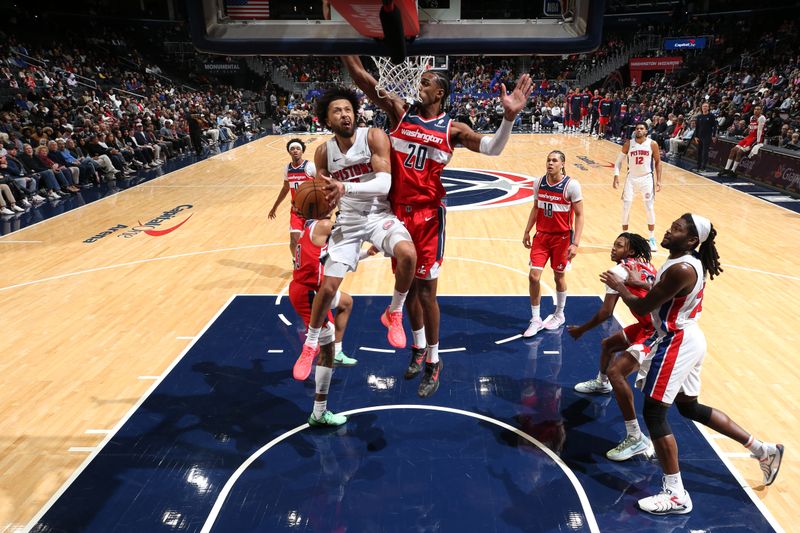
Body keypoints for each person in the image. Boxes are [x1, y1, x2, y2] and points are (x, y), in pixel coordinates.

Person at [342, 56, 532, 397]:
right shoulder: (399, 111)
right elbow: (362, 78)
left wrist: (508, 117)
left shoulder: (452, 129)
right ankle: (417, 347)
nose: (419, 84)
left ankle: (433, 359)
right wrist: (344, 41)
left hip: (428, 216)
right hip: (397, 213)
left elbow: (491, 148)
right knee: (408, 287)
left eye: (426, 81)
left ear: (440, 92)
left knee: (427, 291)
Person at [601, 214, 784, 515]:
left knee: (655, 412)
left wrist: (622, 285)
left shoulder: (683, 267)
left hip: (676, 340)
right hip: (688, 336)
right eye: (672, 226)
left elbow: (642, 306)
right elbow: (663, 293)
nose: (669, 231)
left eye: (676, 230)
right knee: (688, 407)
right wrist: (642, 281)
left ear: (691, 240)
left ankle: (675, 494)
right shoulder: (684, 260)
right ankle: (763, 450)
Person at [293, 87, 418, 426]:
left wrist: (344, 188)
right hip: (346, 222)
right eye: (337, 111)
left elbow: (383, 184)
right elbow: (325, 197)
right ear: (326, 118)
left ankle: (393, 312)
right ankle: (311, 342)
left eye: (348, 109)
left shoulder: (374, 136)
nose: (345, 115)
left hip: (379, 215)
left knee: (408, 254)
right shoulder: (323, 154)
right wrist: (320, 201)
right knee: (330, 286)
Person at [570, 233, 657, 461]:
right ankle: (601, 384)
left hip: (655, 331)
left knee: (616, 372)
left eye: (619, 246)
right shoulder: (646, 265)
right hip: (646, 323)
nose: (613, 248)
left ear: (630, 251)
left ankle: (635, 436)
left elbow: (605, 313)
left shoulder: (618, 273)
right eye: (614, 244)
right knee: (608, 344)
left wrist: (581, 329)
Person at [289, 216, 359, 387]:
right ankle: (310, 356)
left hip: (315, 290)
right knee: (325, 341)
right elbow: (352, 233)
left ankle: (337, 352)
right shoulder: (324, 226)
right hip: (307, 294)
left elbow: (337, 255)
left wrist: (365, 253)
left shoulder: (312, 229)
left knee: (346, 302)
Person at [522, 150, 584, 337]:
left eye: (554, 160)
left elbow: (580, 215)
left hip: (562, 238)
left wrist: (576, 243)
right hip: (541, 237)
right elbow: (535, 208)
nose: (550, 163)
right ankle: (535, 319)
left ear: (562, 164)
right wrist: (527, 230)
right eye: (548, 160)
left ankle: (559, 314)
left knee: (559, 277)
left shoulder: (571, 186)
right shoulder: (538, 182)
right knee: (534, 276)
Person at [613, 122, 662, 252]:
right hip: (631, 178)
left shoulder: (652, 144)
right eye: (637, 129)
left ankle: (651, 238)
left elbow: (657, 162)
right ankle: (625, 237)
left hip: (646, 178)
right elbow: (618, 162)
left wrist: (659, 181)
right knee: (626, 207)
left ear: (646, 131)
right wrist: (616, 176)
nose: (639, 130)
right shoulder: (629, 144)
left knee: (649, 207)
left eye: (641, 129)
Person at [268, 138, 317, 258]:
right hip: (296, 210)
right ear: (289, 152)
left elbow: (322, 184)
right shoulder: (287, 169)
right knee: (294, 240)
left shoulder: (310, 166)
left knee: (314, 241)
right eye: (292, 149)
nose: (295, 151)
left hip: (312, 209)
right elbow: (285, 188)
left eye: (298, 148)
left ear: (302, 151)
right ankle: (297, 264)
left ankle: (317, 265)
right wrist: (275, 207)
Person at [718, 105, 766, 177]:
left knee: (739, 151)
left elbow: (759, 130)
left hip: (755, 138)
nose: (756, 110)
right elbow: (751, 129)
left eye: (758, 109)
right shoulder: (751, 117)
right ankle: (726, 169)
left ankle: (733, 171)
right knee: (733, 150)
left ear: (761, 111)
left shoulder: (762, 118)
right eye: (755, 109)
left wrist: (758, 142)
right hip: (749, 137)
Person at [690, 102, 717, 172]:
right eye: (703, 106)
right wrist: (695, 136)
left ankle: (703, 167)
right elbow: (697, 127)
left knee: (705, 152)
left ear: (708, 108)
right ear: (701, 108)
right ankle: (698, 166)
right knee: (699, 152)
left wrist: (713, 135)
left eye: (706, 106)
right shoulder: (699, 116)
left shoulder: (711, 116)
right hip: (699, 136)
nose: (704, 108)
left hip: (707, 136)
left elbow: (715, 126)